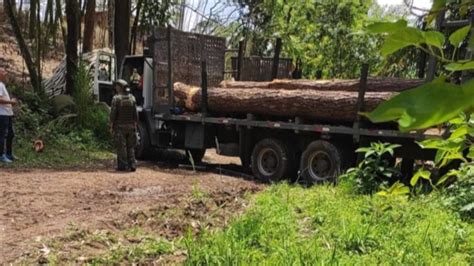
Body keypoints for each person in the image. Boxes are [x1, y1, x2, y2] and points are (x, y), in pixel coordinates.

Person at [109, 79, 138, 171]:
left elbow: (113, 114)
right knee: (131, 146)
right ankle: (132, 164)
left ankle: (122, 165)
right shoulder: (132, 98)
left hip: (120, 127)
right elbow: (136, 114)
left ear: (120, 87)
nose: (116, 88)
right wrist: (135, 124)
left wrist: (111, 125)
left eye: (117, 86)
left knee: (121, 147)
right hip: (131, 126)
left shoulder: (116, 99)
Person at [0, 68, 17, 163]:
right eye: (3, 72)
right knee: (2, 135)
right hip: (2, 114)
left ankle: (9, 154)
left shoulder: (2, 85)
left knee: (11, 134)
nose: (5, 73)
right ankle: (1, 155)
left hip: (7, 113)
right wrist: (11, 101)